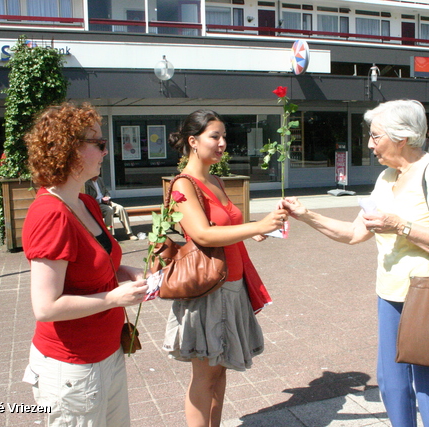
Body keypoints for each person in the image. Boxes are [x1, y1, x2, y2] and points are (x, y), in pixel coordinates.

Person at [280, 99, 429, 427]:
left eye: (375, 136)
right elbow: (355, 233)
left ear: (402, 136)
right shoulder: (385, 178)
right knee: (393, 386)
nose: (369, 144)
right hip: (390, 297)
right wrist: (306, 215)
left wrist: (401, 226)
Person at [21, 103, 148, 426]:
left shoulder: (85, 202)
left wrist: (127, 272)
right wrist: (115, 298)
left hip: (107, 353)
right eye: (99, 144)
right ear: (71, 149)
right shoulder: (51, 214)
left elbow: (97, 263)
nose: (106, 151)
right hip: (72, 368)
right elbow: (46, 307)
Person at [162, 110, 288, 427]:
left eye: (224, 137)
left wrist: (255, 229)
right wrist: (254, 226)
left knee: (218, 373)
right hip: (206, 290)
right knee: (204, 377)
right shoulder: (183, 185)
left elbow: (225, 225)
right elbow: (202, 233)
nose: (222, 143)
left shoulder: (214, 180)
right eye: (214, 136)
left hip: (231, 286)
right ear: (193, 141)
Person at [84, 175, 138, 240]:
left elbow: (106, 191)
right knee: (109, 210)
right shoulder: (86, 183)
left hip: (106, 202)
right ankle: (110, 235)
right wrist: (101, 200)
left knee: (121, 208)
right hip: (96, 204)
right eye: (95, 175)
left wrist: (107, 197)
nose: (97, 176)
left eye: (97, 174)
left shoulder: (100, 180)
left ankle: (130, 233)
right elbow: (88, 198)